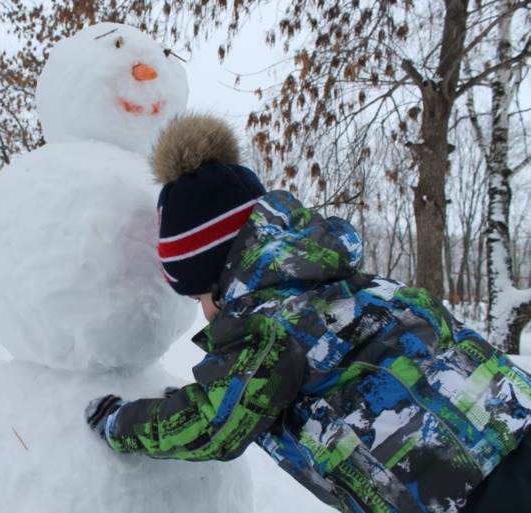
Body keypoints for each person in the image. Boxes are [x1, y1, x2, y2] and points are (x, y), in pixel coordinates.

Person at [84, 113, 531, 512]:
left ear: (217, 278)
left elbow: (211, 423)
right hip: (513, 420)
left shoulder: (266, 327)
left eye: (198, 296)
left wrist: (120, 422)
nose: (203, 312)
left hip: (458, 489)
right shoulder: (346, 282)